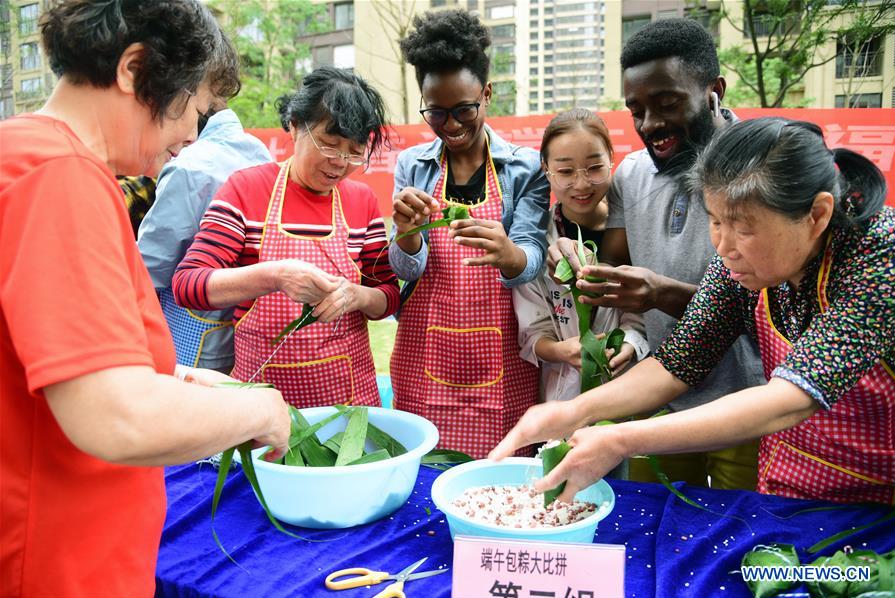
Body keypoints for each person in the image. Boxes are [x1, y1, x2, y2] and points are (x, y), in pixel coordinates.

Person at [0, 2, 290, 596]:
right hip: (59, 560)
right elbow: (115, 414)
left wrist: (179, 378)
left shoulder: (25, 154)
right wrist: (261, 410)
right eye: (194, 111)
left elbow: (55, 361)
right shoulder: (60, 178)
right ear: (135, 69)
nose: (190, 137)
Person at [492, 117, 895, 507]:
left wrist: (621, 438)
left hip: (880, 498)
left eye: (742, 227)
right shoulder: (739, 263)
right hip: (790, 479)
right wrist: (570, 411)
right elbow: (677, 362)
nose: (723, 246)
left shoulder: (883, 258)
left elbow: (793, 397)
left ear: (817, 215)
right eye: (715, 221)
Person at [551, 18, 765, 490]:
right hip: (655, 397)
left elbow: (767, 309)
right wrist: (576, 262)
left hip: (748, 399)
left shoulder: (760, 170)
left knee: (741, 535)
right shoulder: (632, 174)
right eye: (636, 110)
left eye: (667, 104)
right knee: (648, 523)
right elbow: (609, 275)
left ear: (715, 90)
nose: (651, 125)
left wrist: (661, 294)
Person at [173, 67, 398, 408]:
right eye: (329, 143)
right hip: (261, 406)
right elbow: (189, 285)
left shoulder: (361, 201)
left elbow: (389, 297)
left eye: (353, 151)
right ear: (294, 125)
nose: (339, 163)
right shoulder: (246, 190)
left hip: (349, 406)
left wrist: (355, 296)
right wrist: (274, 276)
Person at [388, 9, 550, 458]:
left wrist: (509, 255)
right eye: (436, 112)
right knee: (425, 471)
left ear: (487, 94)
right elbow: (406, 269)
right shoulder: (412, 166)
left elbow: (532, 255)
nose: (452, 125)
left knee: (500, 475)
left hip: (503, 354)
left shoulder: (524, 167)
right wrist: (406, 234)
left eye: (464, 109)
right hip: (427, 349)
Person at [138, 74, 272, 372]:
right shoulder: (258, 151)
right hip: (250, 323)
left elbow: (151, 267)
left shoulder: (189, 164)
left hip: (194, 329)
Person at [513, 108, 648, 404]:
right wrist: (562, 350)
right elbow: (533, 333)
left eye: (594, 167)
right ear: (545, 168)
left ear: (611, 159)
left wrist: (630, 342)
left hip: (631, 394)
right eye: (565, 171)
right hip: (564, 398)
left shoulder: (636, 228)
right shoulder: (536, 240)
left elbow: (643, 314)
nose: (582, 183)